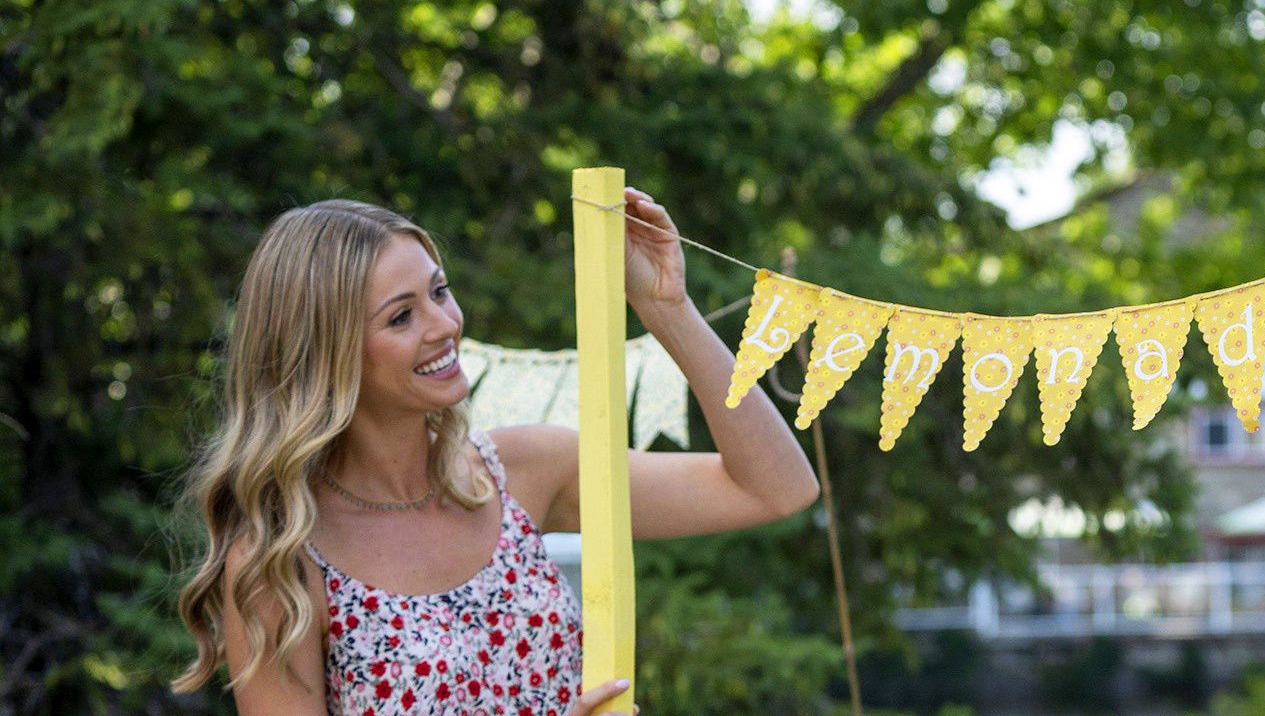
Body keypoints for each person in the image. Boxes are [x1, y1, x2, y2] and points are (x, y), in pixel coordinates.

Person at [171, 189, 820, 715]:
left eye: (440, 291)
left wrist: (666, 307)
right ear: (325, 354)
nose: (445, 324)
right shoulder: (281, 559)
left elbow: (774, 488)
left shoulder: (523, 471)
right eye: (401, 317)